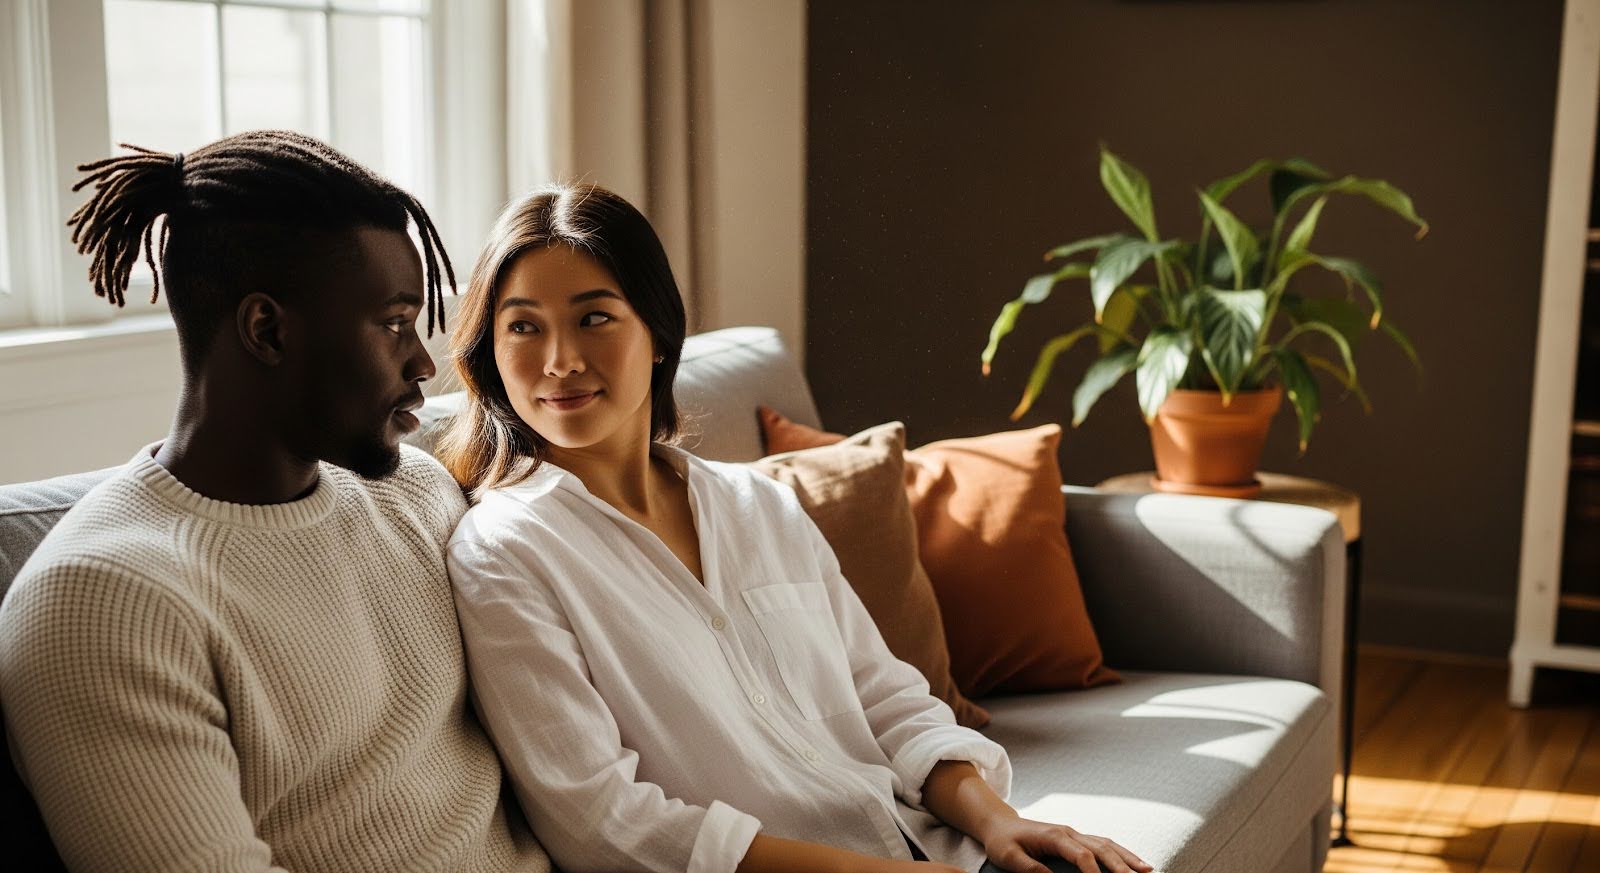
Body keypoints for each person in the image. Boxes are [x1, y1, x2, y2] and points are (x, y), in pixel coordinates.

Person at [439, 183, 1153, 873]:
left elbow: (885, 695)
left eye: (593, 317)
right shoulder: (505, 554)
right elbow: (600, 819)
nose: (559, 360)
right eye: (524, 326)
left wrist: (1001, 822)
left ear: (657, 335)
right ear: (492, 355)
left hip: (925, 840)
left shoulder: (759, 506)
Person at [0, 131, 551, 873]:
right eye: (393, 323)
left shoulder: (415, 494)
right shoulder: (102, 602)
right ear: (267, 329)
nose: (423, 360)